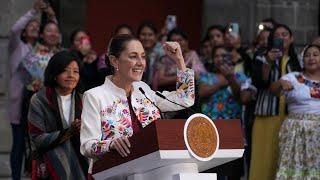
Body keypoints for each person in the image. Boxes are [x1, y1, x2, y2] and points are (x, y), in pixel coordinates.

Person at [80, 34, 195, 175]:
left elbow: (185, 99)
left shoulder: (143, 89)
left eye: (143, 56)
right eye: (133, 56)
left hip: (151, 172)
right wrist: (110, 144)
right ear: (114, 61)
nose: (141, 62)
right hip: (113, 175)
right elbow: (87, 146)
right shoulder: (94, 96)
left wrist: (179, 60)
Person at [249, 24, 301, 180]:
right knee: (263, 158)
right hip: (266, 115)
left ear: (291, 39)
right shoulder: (261, 56)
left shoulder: (296, 60)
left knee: (282, 158)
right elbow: (259, 82)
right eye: (277, 35)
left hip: (289, 117)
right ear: (272, 40)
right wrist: (269, 62)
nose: (281, 38)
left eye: (285, 34)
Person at [28, 51, 88, 179]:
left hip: (81, 166)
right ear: (54, 74)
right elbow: (37, 138)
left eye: (76, 71)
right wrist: (69, 132)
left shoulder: (85, 100)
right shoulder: (39, 100)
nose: (71, 75)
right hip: (49, 168)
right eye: (65, 71)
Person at [269, 45, 320, 179]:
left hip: (318, 133)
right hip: (295, 130)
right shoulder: (293, 77)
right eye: (307, 55)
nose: (311, 58)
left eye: (315, 54)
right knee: (294, 169)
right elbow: (273, 91)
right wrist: (280, 82)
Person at [137, 21, 166, 86]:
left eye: (150, 35)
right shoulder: (133, 51)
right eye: (143, 34)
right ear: (138, 36)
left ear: (156, 36)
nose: (147, 38)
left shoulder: (161, 52)